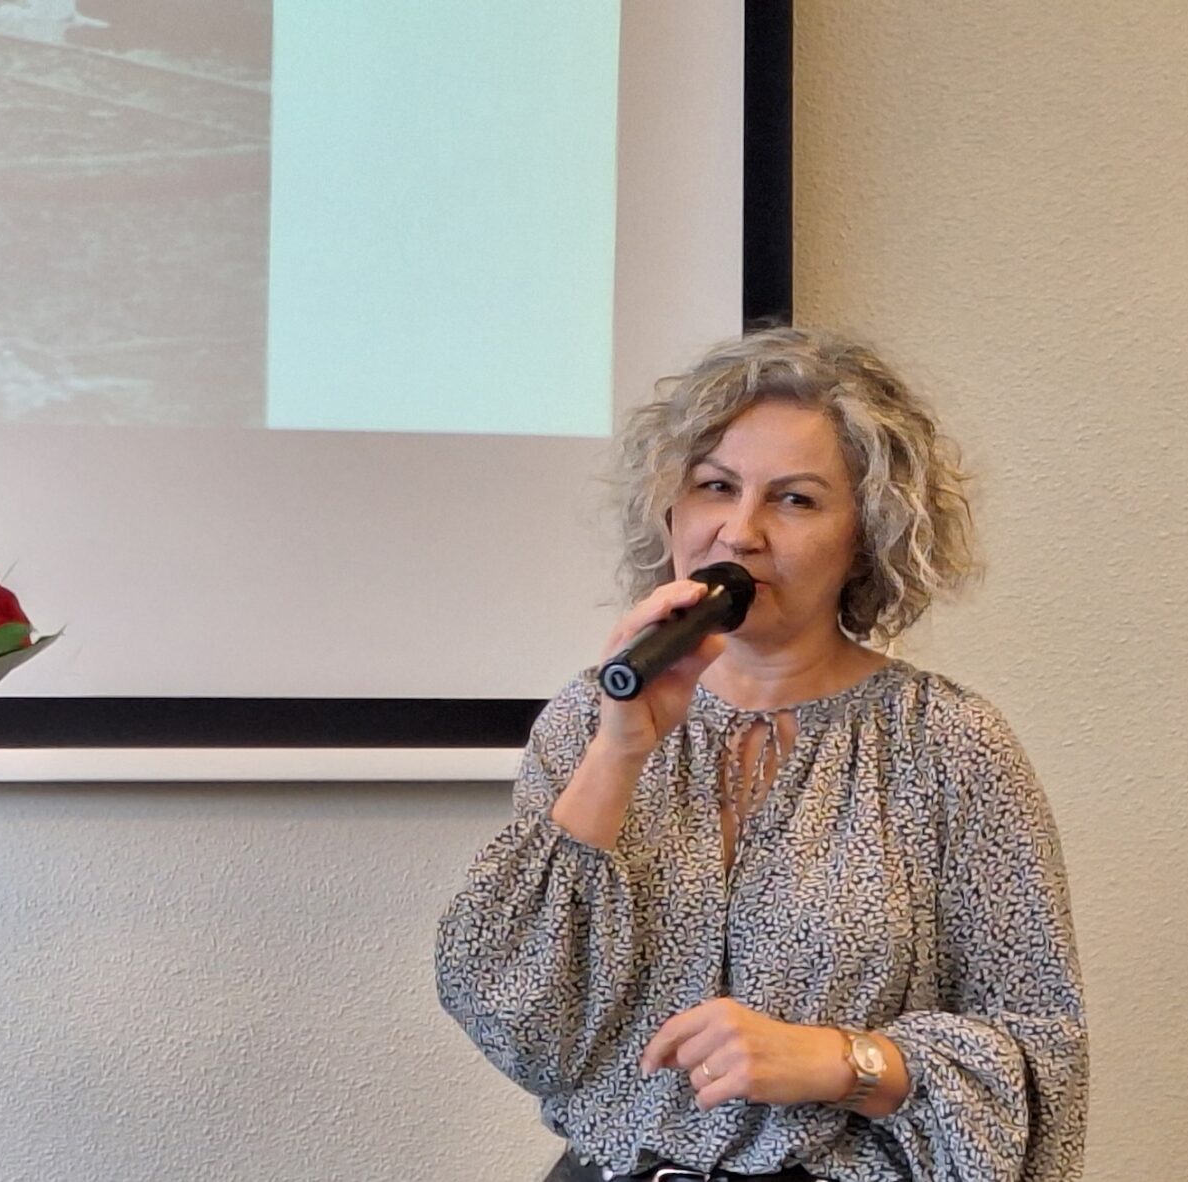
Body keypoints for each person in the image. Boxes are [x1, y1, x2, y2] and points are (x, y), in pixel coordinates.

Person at [435, 327, 1086, 1182]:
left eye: (795, 500)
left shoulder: (951, 745)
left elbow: (1042, 1058)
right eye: (715, 487)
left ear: (868, 535)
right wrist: (619, 753)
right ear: (671, 510)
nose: (739, 532)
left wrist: (844, 1062)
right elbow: (516, 1017)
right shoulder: (588, 719)